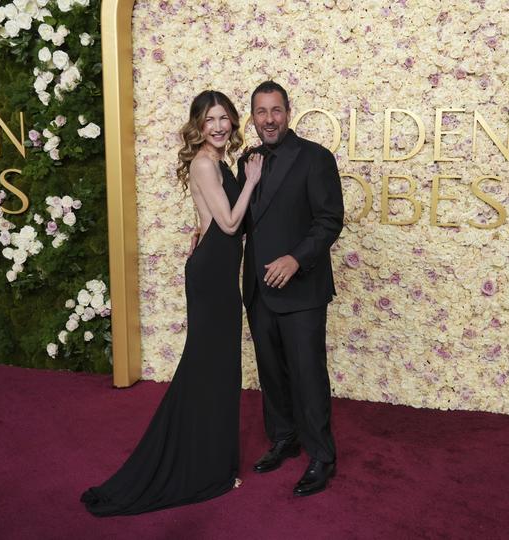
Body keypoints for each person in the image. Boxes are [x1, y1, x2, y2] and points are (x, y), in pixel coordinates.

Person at [80, 90, 263, 516]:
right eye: (210, 120)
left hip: (215, 270)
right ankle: (205, 470)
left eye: (224, 119)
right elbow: (232, 222)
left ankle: (213, 464)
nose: (219, 126)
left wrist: (202, 233)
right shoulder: (203, 162)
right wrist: (252, 181)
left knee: (217, 370)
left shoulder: (216, 162)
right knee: (209, 369)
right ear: (198, 126)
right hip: (213, 278)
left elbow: (211, 220)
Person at [237, 81, 344, 496]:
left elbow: (329, 219)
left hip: (301, 289)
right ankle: (284, 438)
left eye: (276, 110)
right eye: (261, 112)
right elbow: (238, 218)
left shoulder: (315, 158)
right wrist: (203, 231)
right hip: (259, 290)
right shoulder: (247, 160)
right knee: (271, 373)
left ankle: (322, 456)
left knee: (307, 374)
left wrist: (296, 258)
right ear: (252, 118)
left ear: (288, 111)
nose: (269, 119)